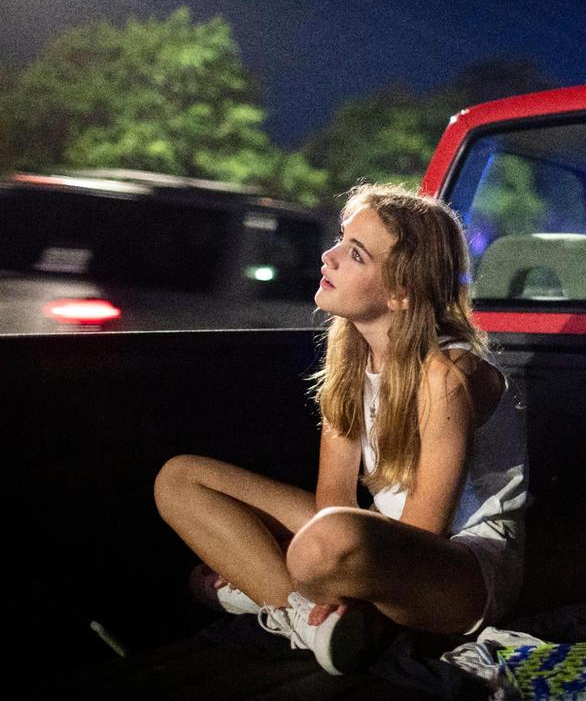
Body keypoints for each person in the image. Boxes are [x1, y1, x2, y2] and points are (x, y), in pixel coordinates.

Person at [153, 183, 528, 675]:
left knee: (318, 546)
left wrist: (284, 560)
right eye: (340, 240)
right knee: (179, 479)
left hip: (460, 566)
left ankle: (282, 598)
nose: (328, 256)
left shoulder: (448, 373)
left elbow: (425, 532)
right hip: (383, 539)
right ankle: (310, 618)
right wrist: (320, 559)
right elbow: (333, 498)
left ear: (401, 290)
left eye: (355, 254)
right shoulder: (350, 357)